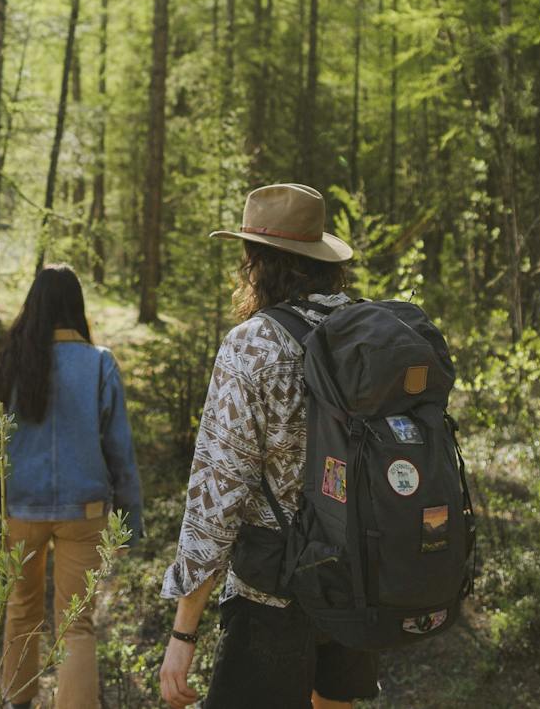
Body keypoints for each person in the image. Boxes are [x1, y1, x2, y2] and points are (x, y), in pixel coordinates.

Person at [158, 183, 380, 709]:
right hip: (358, 578)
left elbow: (217, 497)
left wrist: (183, 632)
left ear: (258, 261)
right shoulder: (367, 332)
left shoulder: (253, 345)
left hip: (273, 593)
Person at [0, 263, 145, 709]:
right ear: (76, 307)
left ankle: (18, 703)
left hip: (20, 514)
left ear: (33, 307)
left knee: (21, 611)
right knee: (76, 624)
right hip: (84, 513)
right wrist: (129, 522)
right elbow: (120, 452)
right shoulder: (99, 363)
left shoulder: (4, 366)